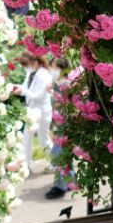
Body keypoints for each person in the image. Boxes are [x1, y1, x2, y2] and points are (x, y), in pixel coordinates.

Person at [14, 54, 52, 174]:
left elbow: (38, 96)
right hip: (31, 111)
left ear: (35, 62)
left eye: (28, 64)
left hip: (42, 111)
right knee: (26, 138)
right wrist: (18, 89)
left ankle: (55, 163)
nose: (27, 67)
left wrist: (24, 91)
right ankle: (26, 165)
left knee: (44, 140)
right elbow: (26, 88)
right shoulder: (30, 72)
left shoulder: (44, 75)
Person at [44, 58, 72, 199]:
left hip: (66, 126)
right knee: (63, 155)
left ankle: (60, 187)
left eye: (54, 67)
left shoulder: (68, 84)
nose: (51, 70)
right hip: (59, 125)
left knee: (57, 155)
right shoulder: (58, 83)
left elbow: (69, 107)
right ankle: (70, 182)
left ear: (61, 67)